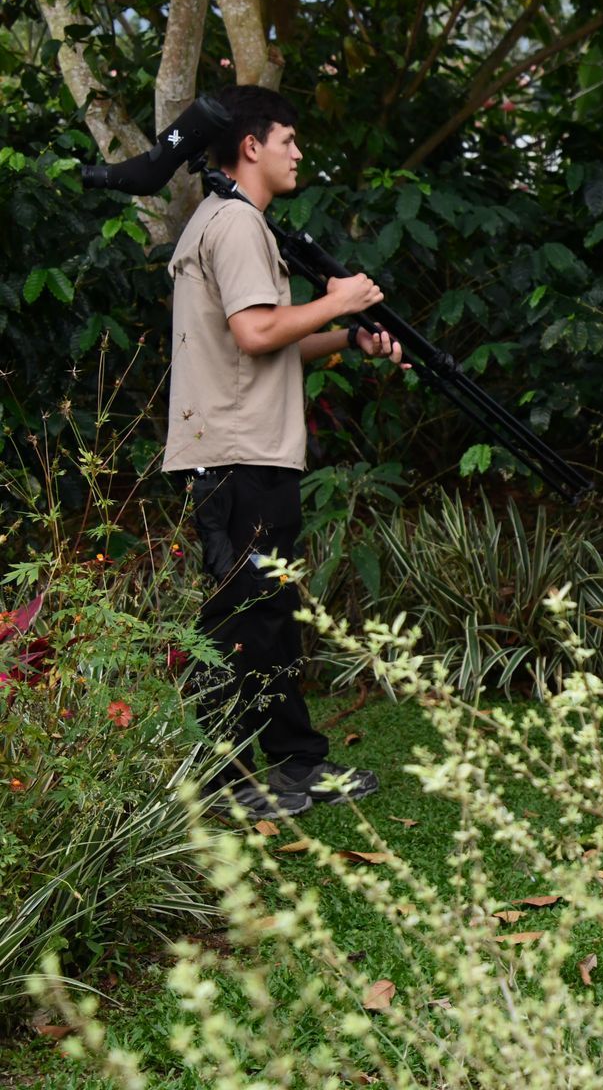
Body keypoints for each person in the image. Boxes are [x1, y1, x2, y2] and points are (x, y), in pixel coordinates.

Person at [166, 84, 398, 820]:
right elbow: (257, 334)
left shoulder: (231, 221)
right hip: (241, 456)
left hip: (243, 451)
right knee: (253, 621)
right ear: (251, 146)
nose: (299, 153)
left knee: (259, 615)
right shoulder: (235, 224)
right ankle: (256, 778)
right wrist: (343, 300)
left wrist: (346, 340)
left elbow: (271, 344)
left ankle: (282, 766)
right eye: (289, 140)